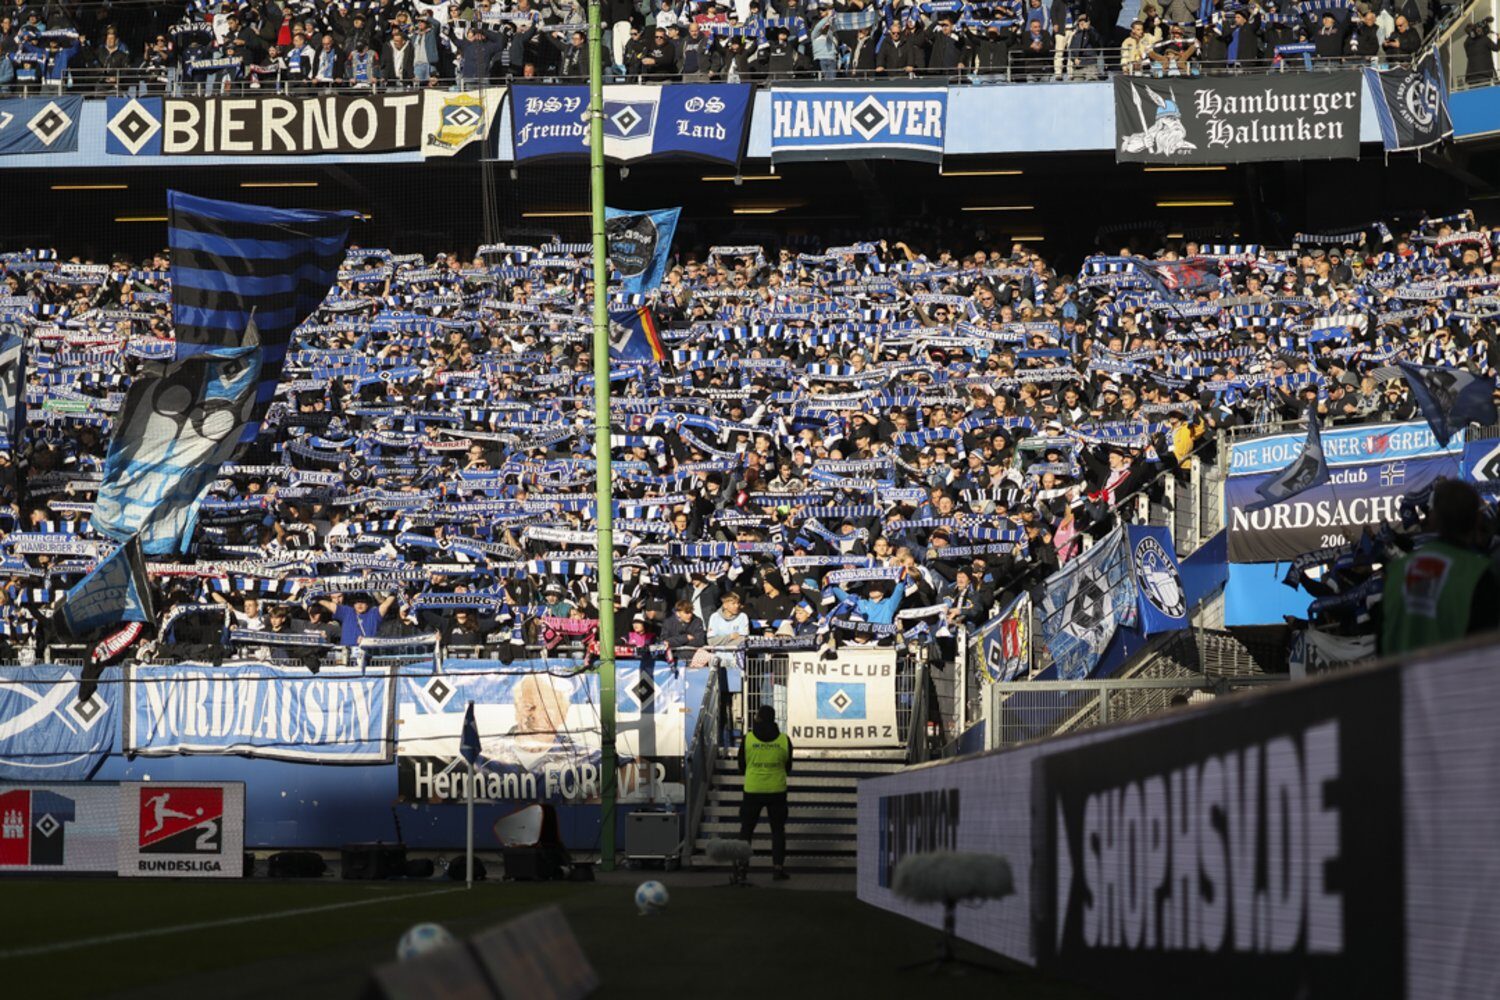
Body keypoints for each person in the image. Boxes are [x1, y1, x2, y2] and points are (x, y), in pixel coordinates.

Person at [1380, 480, 1500, 656]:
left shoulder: (1397, 573)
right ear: (1477, 520)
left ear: (1433, 519)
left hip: (1405, 680)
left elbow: (1382, 644)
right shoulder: (1481, 574)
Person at [738, 703, 793, 880]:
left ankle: (742, 868)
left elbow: (741, 765)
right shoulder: (784, 739)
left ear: (758, 718)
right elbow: (788, 766)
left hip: (752, 790)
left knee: (746, 831)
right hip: (777, 790)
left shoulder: (748, 739)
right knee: (777, 831)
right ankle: (778, 868)